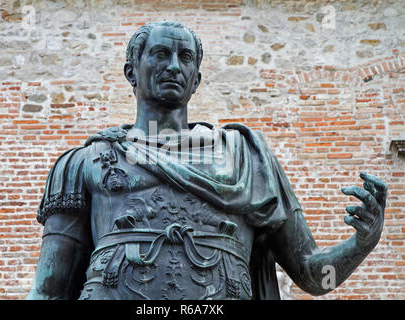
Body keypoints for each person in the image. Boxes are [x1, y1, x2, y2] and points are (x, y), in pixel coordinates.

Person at [26, 21, 387, 300]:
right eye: (159, 54)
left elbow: (313, 275)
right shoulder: (83, 163)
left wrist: (362, 243)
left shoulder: (247, 157)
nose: (172, 66)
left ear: (196, 79)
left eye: (185, 58)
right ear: (131, 72)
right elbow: (49, 289)